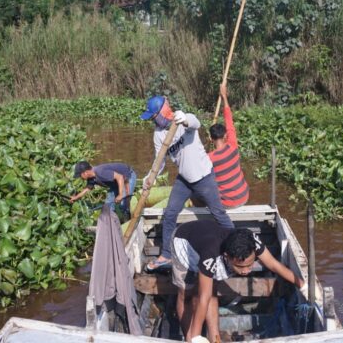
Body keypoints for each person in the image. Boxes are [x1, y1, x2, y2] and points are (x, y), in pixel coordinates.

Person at [171, 220, 305, 343]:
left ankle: (215, 339)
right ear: (227, 257)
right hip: (184, 243)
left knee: (212, 292)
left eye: (250, 265)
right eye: (240, 267)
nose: (246, 271)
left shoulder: (252, 241)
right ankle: (189, 338)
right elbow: (203, 297)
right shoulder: (211, 254)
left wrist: (303, 285)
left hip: (207, 237)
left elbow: (273, 265)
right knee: (186, 294)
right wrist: (196, 336)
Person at [140, 96, 234, 271]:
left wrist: (184, 118)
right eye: (152, 118)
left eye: (154, 116)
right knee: (170, 214)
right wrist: (149, 177)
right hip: (184, 180)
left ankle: (235, 246)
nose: (154, 120)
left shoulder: (183, 121)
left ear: (164, 111)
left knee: (219, 214)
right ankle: (167, 254)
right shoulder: (158, 134)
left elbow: (196, 123)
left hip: (204, 177)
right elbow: (159, 161)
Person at [207, 83, 249, 208]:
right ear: (225, 136)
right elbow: (229, 121)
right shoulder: (233, 146)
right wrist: (224, 97)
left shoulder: (209, 158)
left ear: (211, 138)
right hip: (244, 197)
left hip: (227, 203)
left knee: (200, 190)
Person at [70, 161, 136, 216]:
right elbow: (88, 189)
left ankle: (128, 218)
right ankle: (112, 222)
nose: (80, 178)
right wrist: (76, 197)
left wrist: (120, 195)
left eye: (80, 175)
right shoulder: (91, 178)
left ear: (85, 173)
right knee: (108, 206)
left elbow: (120, 177)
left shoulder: (100, 172)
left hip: (127, 177)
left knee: (123, 204)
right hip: (115, 182)